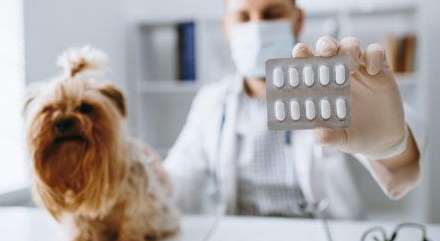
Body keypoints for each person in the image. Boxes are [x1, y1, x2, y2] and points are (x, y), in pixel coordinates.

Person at [163, 0, 426, 219]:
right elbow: (179, 183)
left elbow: (403, 158)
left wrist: (393, 146)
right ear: (226, 27)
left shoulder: (332, 87)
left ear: (297, 20)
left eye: (272, 14)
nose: (256, 28)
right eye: (243, 17)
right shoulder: (210, 102)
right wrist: (149, 177)